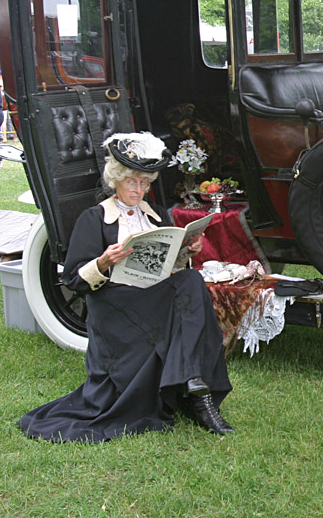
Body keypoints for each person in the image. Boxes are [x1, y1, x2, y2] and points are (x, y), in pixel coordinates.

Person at [19, 132, 232, 442]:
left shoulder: (158, 215)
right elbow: (74, 279)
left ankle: (196, 385)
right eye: (133, 182)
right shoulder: (95, 218)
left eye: (145, 183)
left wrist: (188, 251)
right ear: (116, 180)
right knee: (188, 287)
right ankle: (195, 388)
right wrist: (104, 261)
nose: (139, 189)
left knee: (191, 279)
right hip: (115, 301)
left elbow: (167, 265)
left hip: (152, 295)